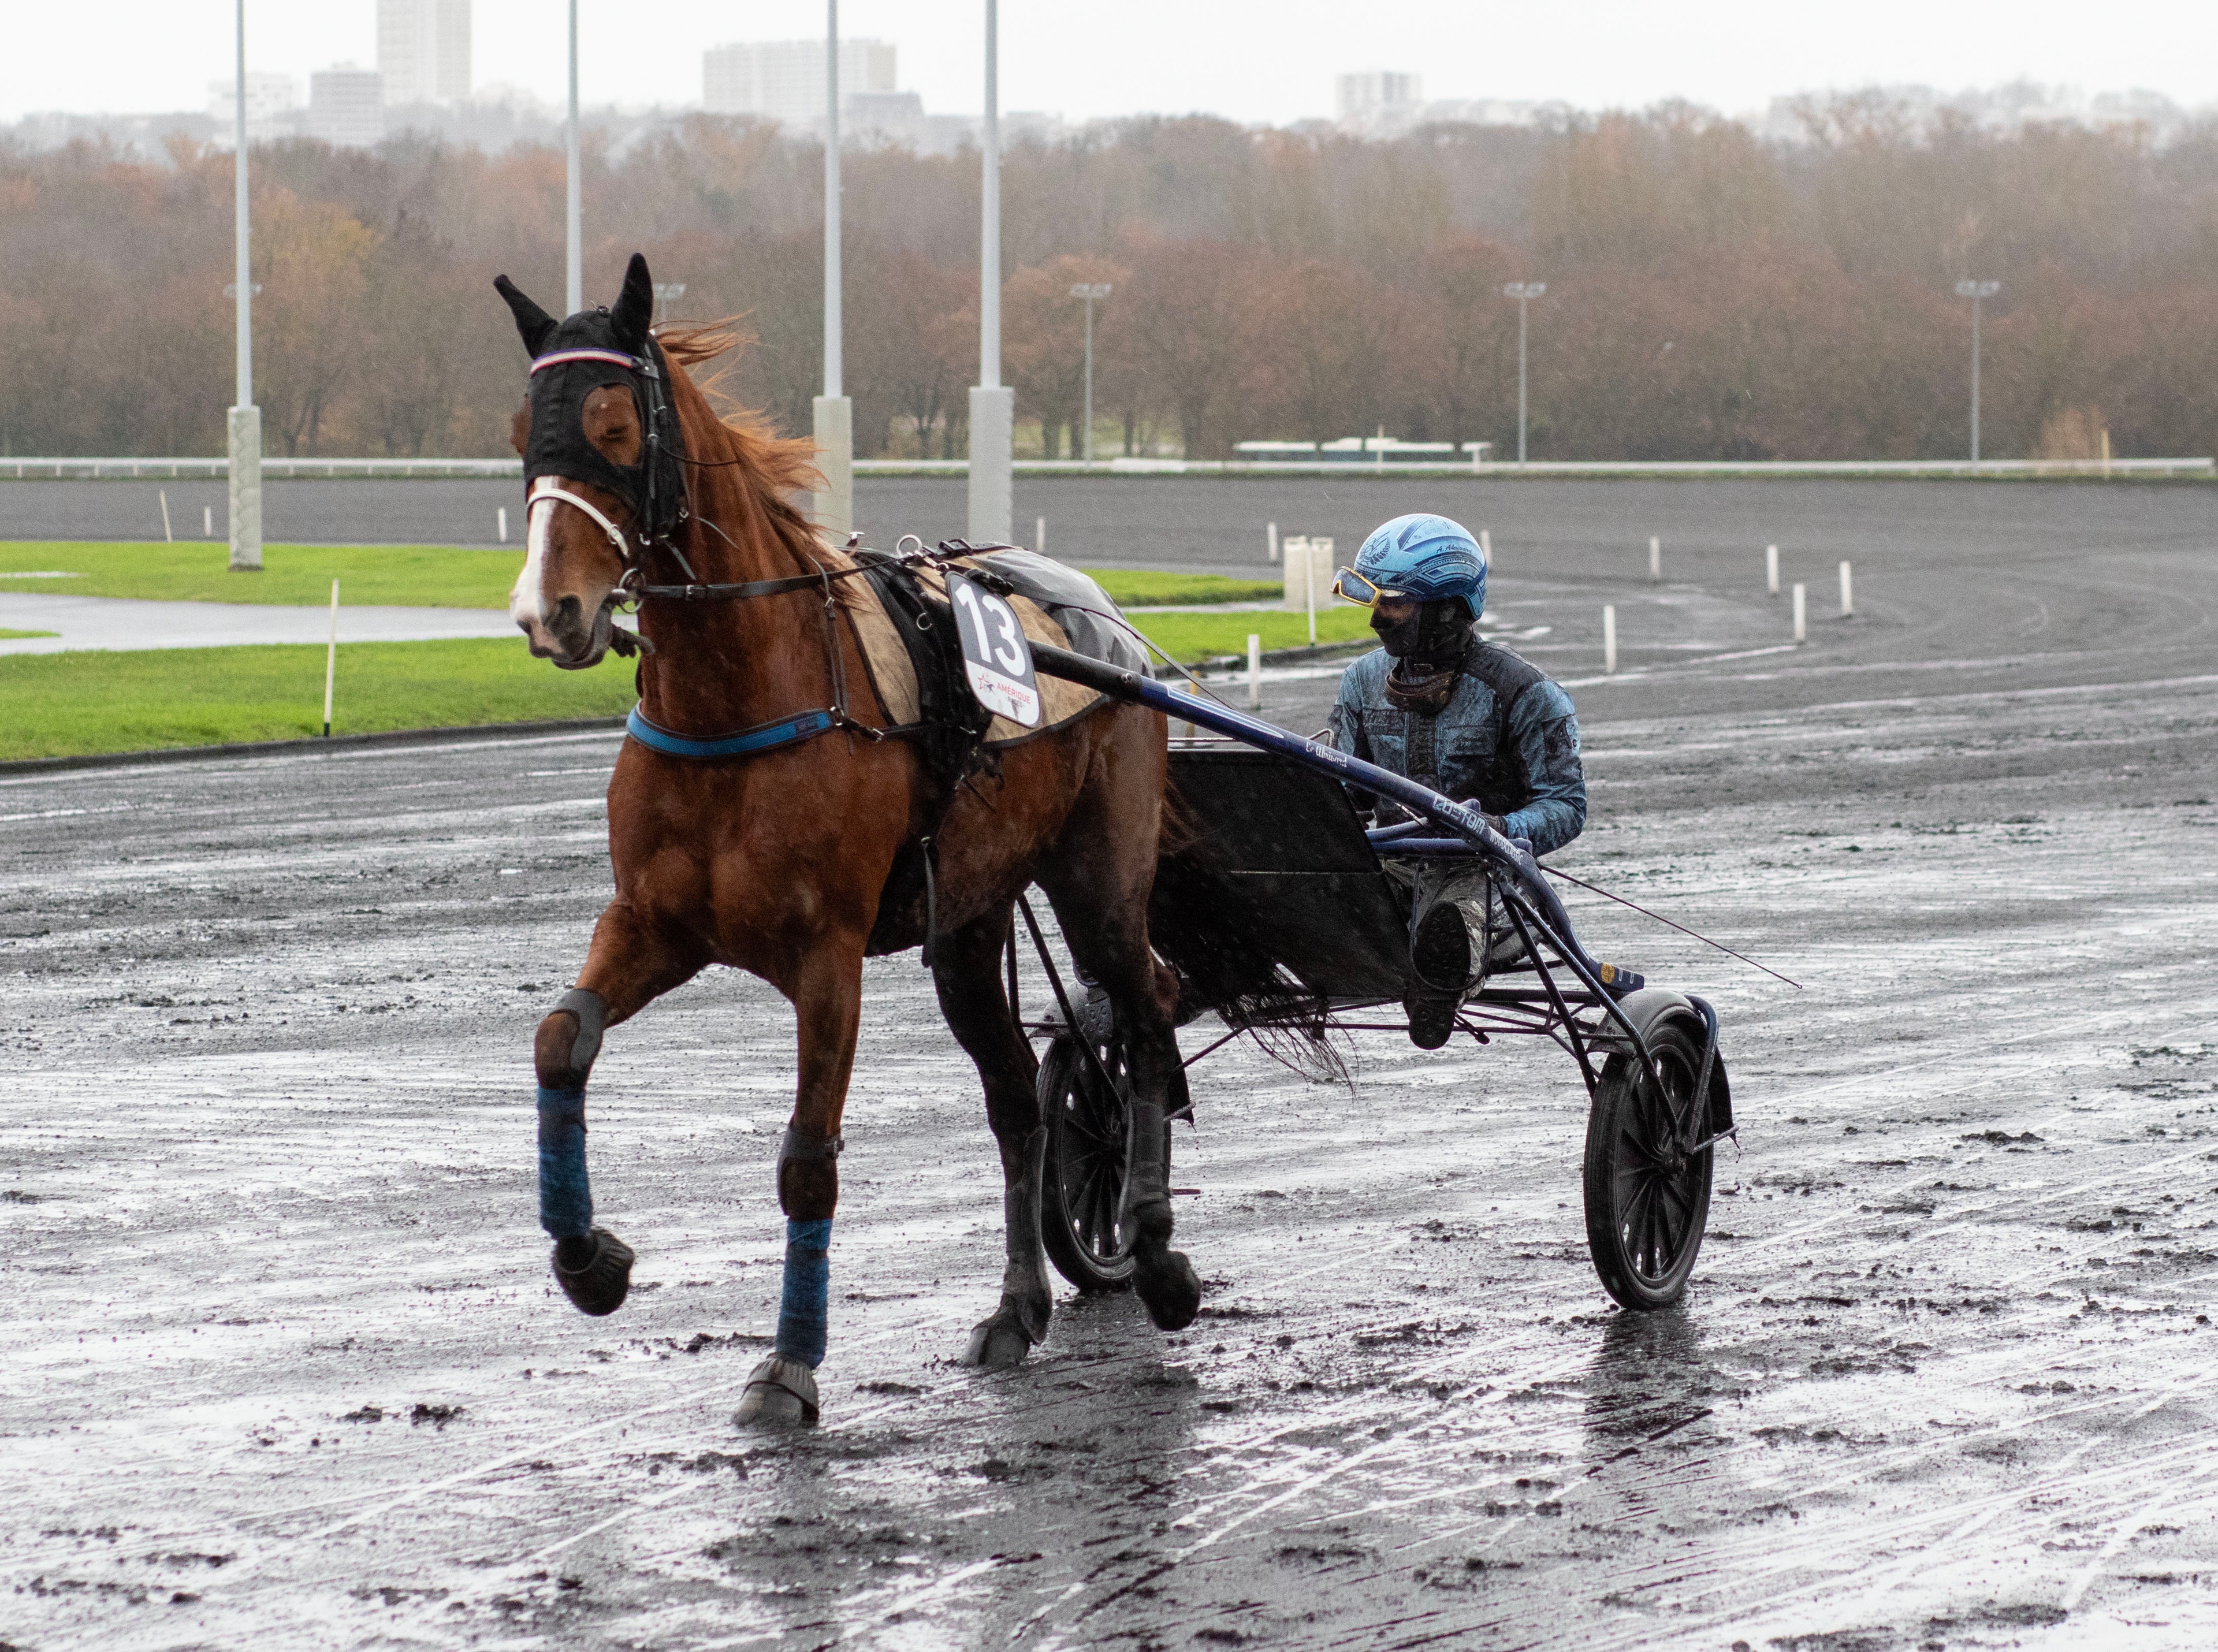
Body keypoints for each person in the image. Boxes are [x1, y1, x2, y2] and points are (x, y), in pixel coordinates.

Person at [1328, 512, 1587, 1050]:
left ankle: (1440, 976)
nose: (1378, 619)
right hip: (1392, 867)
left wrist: (1496, 827)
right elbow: (1347, 799)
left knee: (1452, 918)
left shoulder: (1527, 693)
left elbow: (1566, 805)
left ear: (1447, 609)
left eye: (1394, 603)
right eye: (1376, 602)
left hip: (1491, 875)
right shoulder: (1360, 681)